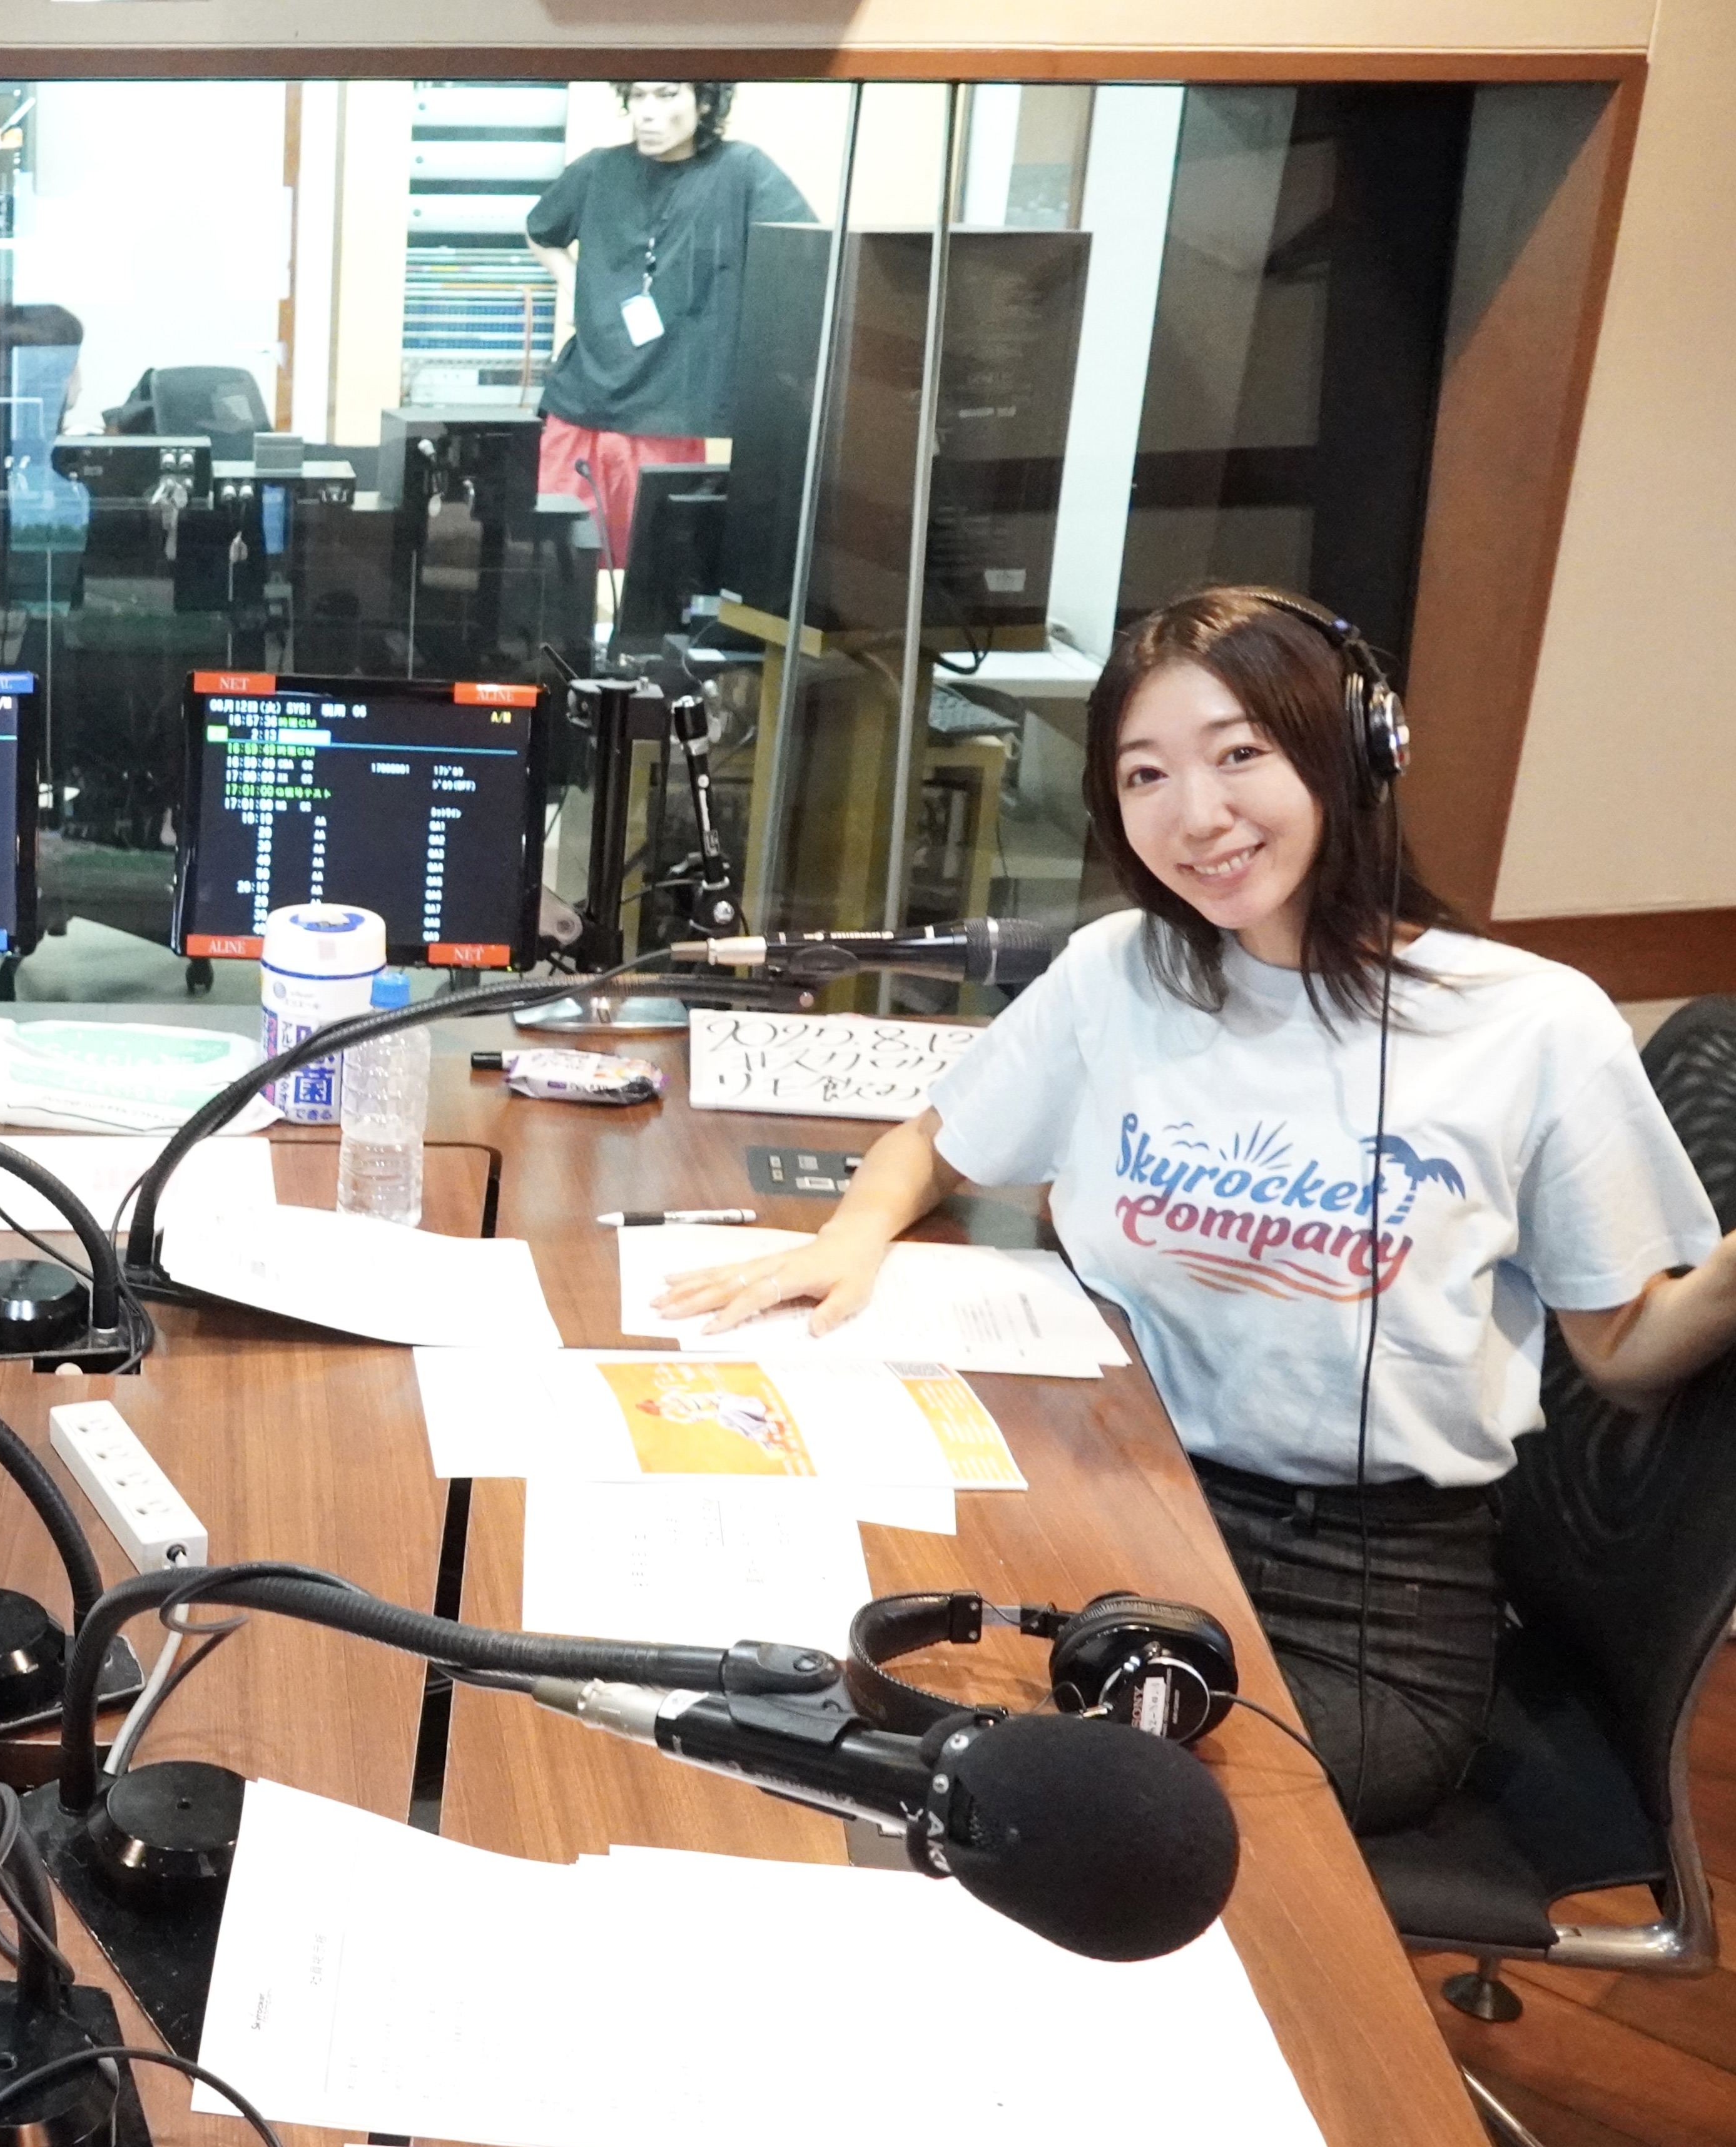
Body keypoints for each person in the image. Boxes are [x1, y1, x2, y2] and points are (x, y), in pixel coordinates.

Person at [655, 586, 1736, 1834]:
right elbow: (932, 1142)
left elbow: (1627, 1353)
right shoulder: (1122, 972)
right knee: (820, 1689)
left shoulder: (1532, 1025)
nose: (1198, 814)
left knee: (1018, 1797)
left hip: (1363, 1604)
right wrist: (850, 1236)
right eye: (1146, 774)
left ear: (1354, 751)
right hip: (1112, 1503)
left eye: (1239, 754)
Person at [525, 81, 810, 570]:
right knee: (559, 567)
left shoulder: (740, 170)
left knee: (655, 570)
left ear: (704, 102)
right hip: (582, 400)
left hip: (669, 409)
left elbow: (803, 251)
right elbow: (541, 231)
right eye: (638, 97)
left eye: (666, 95)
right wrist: (578, 290)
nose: (648, 112)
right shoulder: (599, 169)